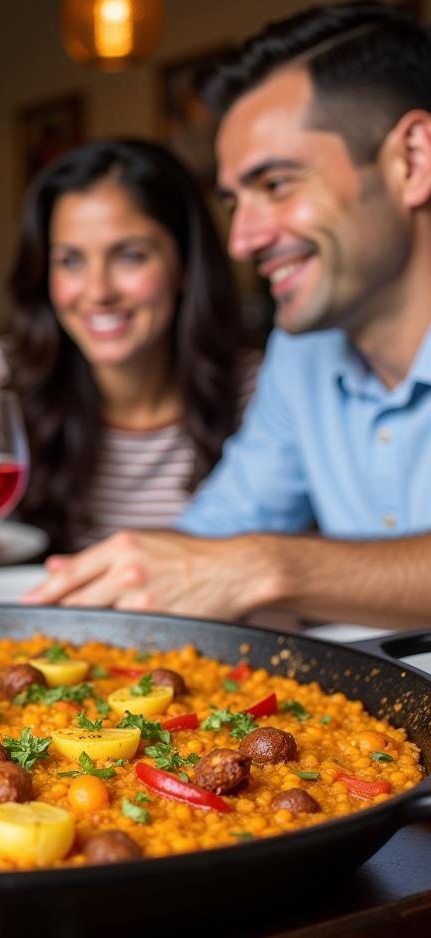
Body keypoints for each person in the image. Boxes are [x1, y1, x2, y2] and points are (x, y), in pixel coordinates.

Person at [26, 2, 431, 629]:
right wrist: (107, 587)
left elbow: (242, 559)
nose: (242, 241)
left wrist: (265, 567)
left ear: (413, 159)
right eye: (234, 200)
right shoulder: (303, 352)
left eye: (276, 184)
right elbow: (215, 538)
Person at [0, 138, 255, 552]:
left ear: (184, 265)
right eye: (71, 260)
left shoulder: (257, 388)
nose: (97, 292)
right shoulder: (1, 371)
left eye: (130, 255)